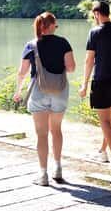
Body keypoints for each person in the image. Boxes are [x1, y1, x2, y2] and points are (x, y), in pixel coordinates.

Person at [13, 11, 76, 186]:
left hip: (38, 92)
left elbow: (22, 72)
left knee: (41, 134)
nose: (56, 28)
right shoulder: (63, 43)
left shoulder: (31, 45)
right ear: (50, 26)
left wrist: (18, 91)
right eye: (55, 25)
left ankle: (43, 175)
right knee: (56, 130)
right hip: (59, 91)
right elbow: (71, 68)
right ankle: (57, 168)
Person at [78, 0, 111, 171]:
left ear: (96, 13)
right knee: (109, 119)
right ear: (108, 13)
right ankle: (102, 151)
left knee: (104, 120)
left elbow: (89, 60)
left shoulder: (94, 32)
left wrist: (84, 85)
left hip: (101, 79)